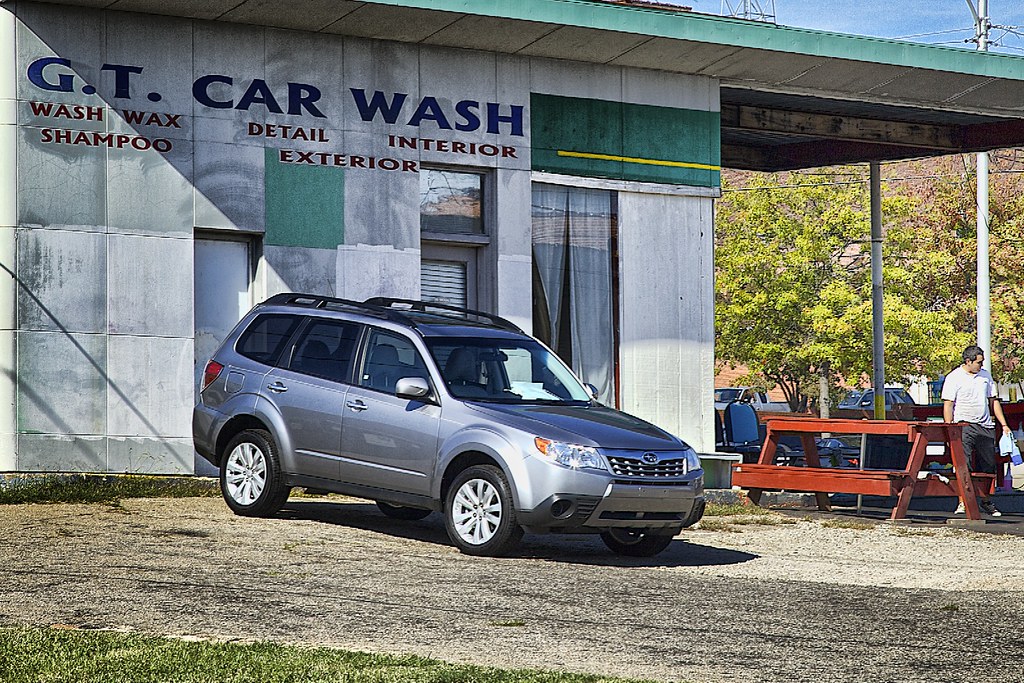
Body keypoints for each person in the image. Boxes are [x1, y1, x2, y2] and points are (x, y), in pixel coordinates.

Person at [941, 344, 1009, 517]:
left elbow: (993, 401)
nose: (981, 365)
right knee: (963, 464)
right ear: (968, 361)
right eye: (978, 362)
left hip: (984, 425)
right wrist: (950, 428)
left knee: (988, 464)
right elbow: (948, 404)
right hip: (963, 425)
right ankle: (963, 502)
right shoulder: (954, 377)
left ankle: (986, 500)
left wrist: (1004, 424)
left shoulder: (985, 376)